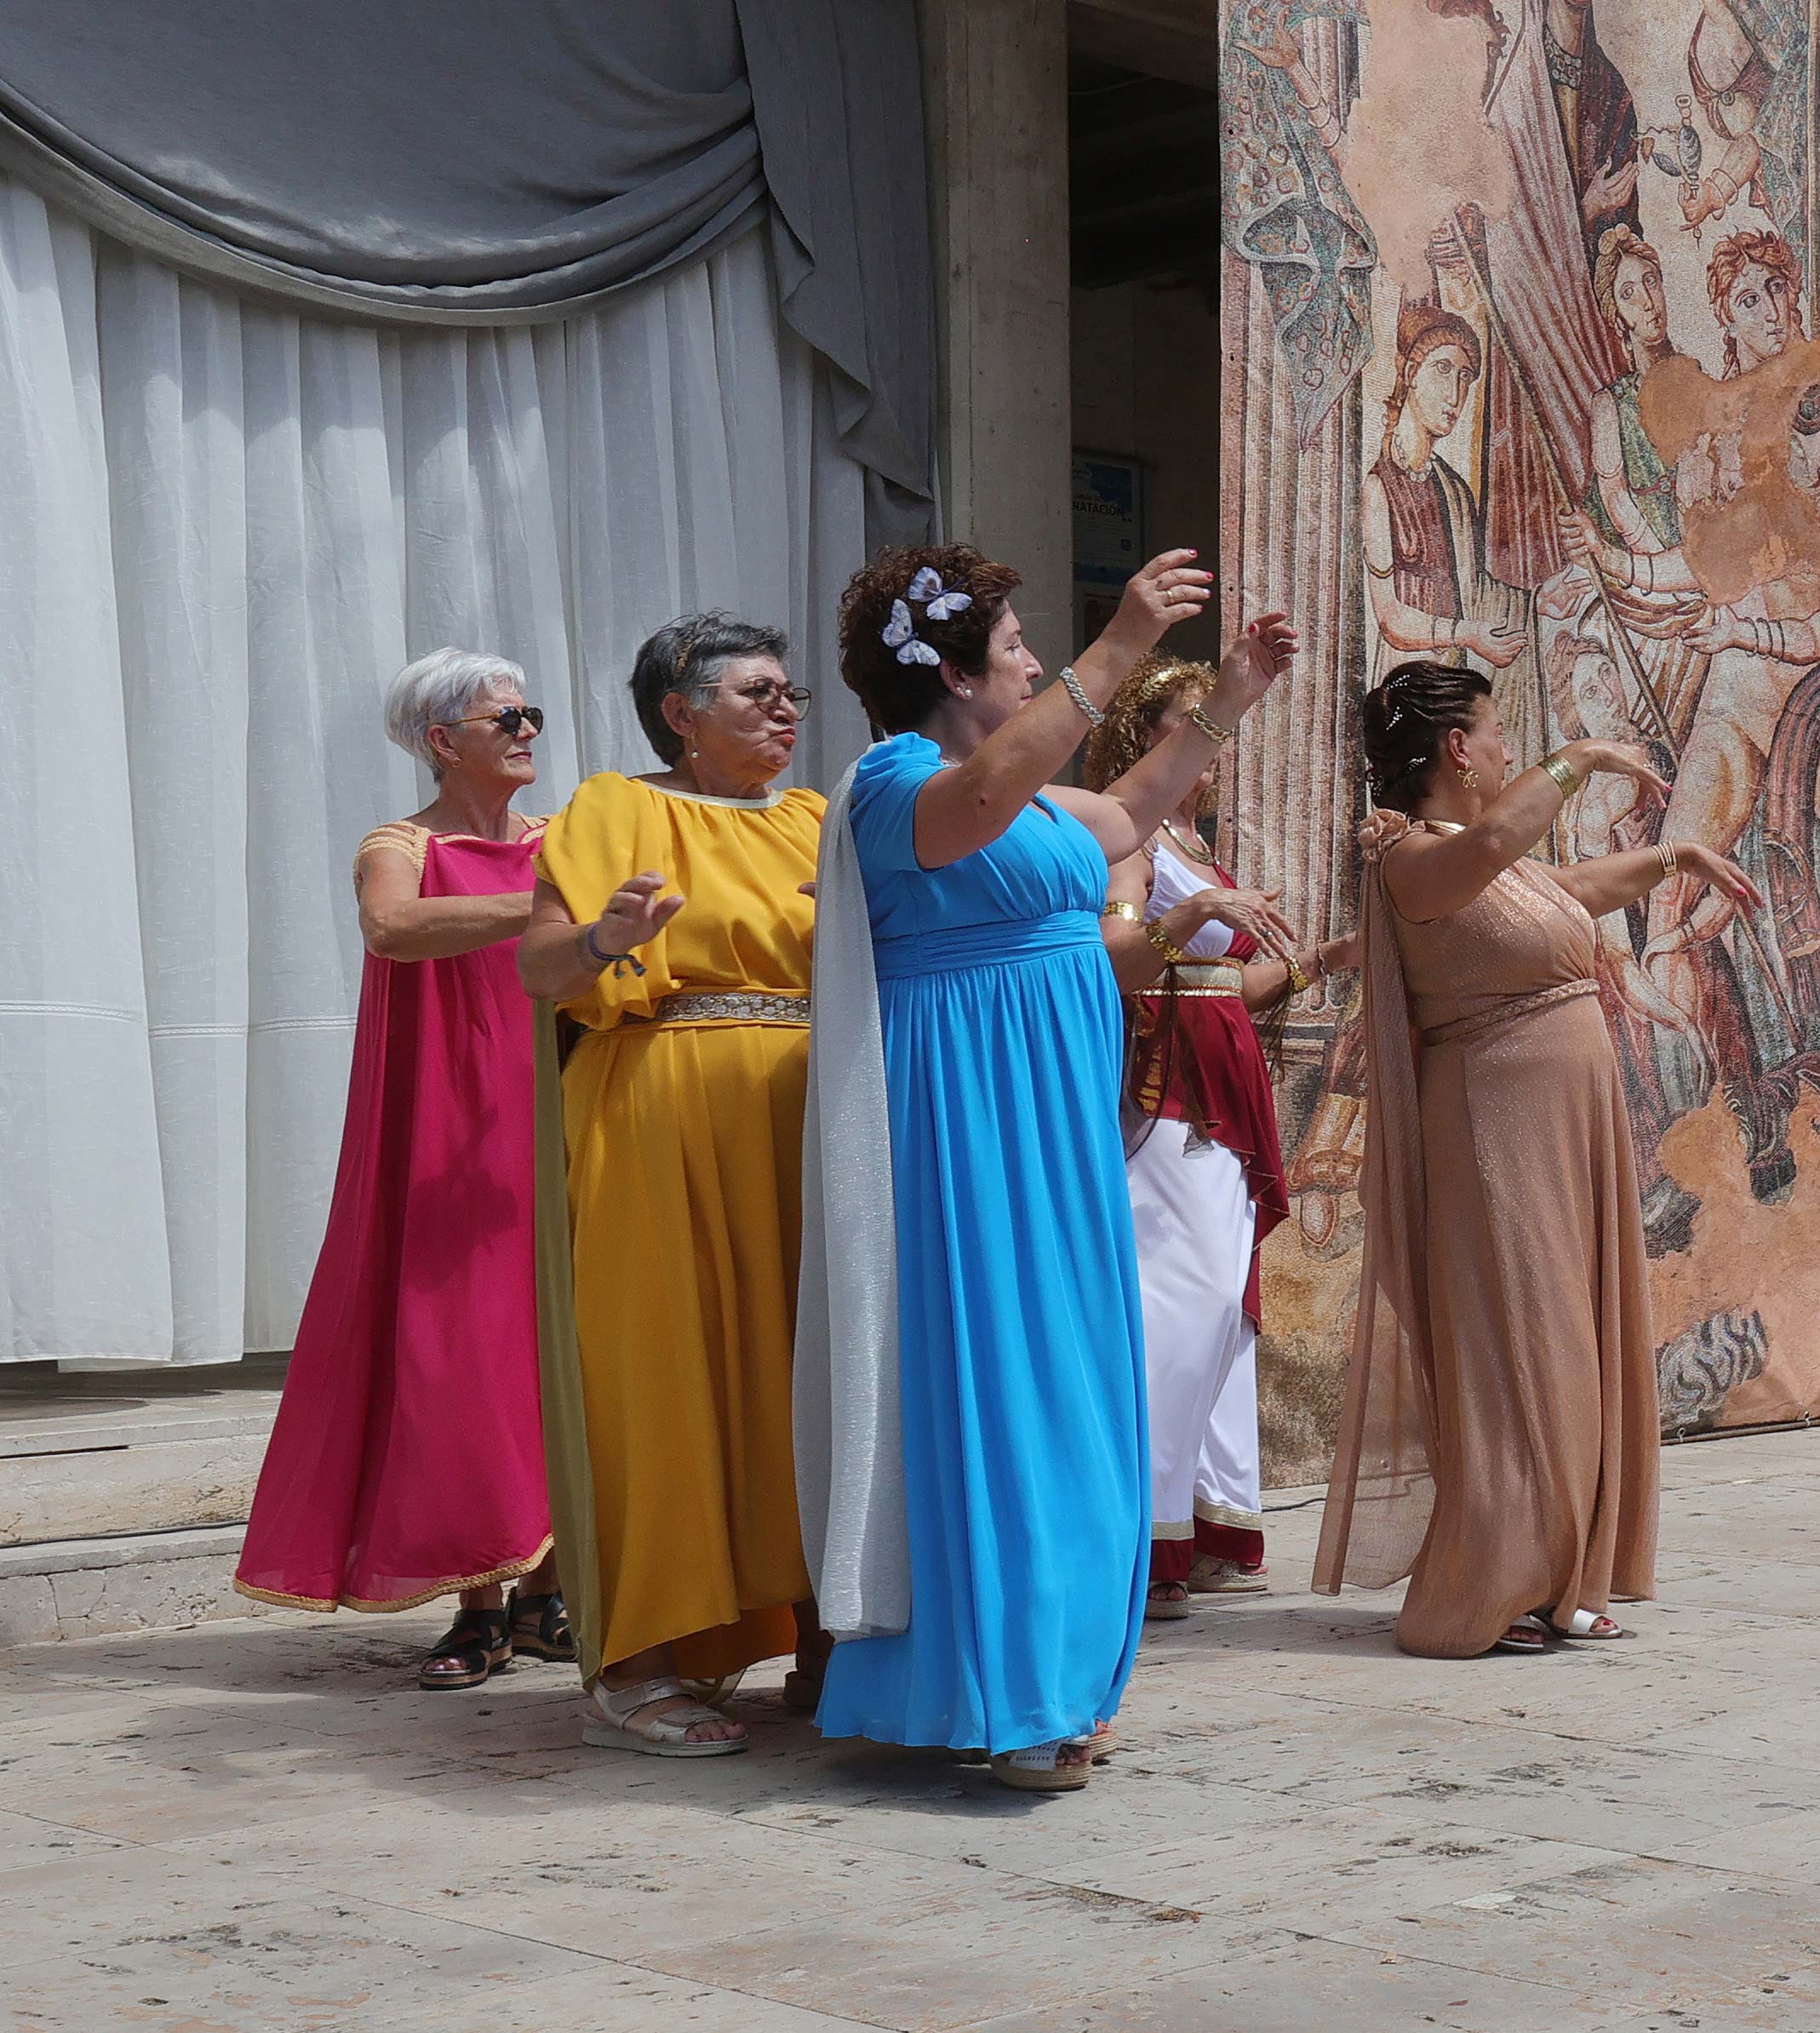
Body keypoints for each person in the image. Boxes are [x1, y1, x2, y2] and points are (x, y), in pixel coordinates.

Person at [793, 545, 1292, 1793]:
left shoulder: (1014, 790)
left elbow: (1125, 814)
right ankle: (1000, 1690)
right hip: (962, 1115)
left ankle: (1060, 1670)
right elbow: (980, 806)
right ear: (958, 674)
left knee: (1073, 1379)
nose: (1031, 665)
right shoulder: (895, 784)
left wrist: (1226, 697)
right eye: (1016, 649)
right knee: (997, 1380)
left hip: (1054, 1116)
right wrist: (1117, 638)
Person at [1314, 661, 1760, 1657]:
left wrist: (1673, 856)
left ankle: (1558, 1576)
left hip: (1560, 1130)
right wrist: (1579, 760)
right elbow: (1492, 840)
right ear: (1456, 750)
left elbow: (1564, 892)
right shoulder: (1408, 855)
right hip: (1492, 1132)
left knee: (1571, 1337)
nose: (1511, 747)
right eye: (1499, 731)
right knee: (1523, 1343)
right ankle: (1501, 1580)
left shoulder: (1489, 868)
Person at [521, 614, 827, 1755]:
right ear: (678, 712)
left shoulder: (817, 818)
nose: (784, 709)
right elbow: (537, 970)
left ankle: (829, 1635)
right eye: (755, 692)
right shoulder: (618, 807)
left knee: (812, 1377)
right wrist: (602, 939)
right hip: (662, 1104)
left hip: (809, 1115)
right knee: (665, 1376)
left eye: (790, 691)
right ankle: (638, 1660)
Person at [235, 651, 568, 1679]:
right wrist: (555, 908)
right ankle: (477, 1597)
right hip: (448, 1120)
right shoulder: (403, 844)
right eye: (504, 715)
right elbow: (394, 928)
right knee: (460, 1350)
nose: (526, 729)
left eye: (531, 714)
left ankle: (547, 1597)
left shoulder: (567, 840)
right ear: (441, 741)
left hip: (557, 1107)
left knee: (560, 1342)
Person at [1080, 660, 1333, 1624]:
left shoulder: (1190, 841)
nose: (1215, 751)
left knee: (1223, 1308)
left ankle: (1211, 1523)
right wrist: (1194, 914)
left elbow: (1230, 988)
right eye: (1198, 726)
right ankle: (1140, 1543)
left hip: (1224, 1083)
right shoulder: (1126, 838)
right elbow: (1111, 958)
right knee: (1175, 1309)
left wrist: (1319, 962)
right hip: (1166, 1092)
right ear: (1148, 735)